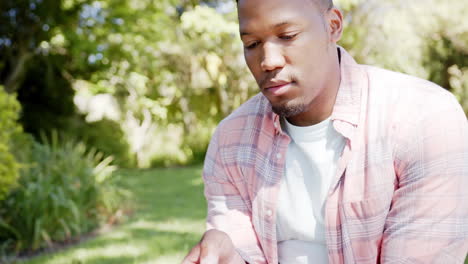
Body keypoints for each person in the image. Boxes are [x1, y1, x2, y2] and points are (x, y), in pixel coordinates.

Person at [182, 0, 468, 263]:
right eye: (252, 43)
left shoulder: (423, 119)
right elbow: (243, 253)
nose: (268, 61)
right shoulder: (231, 138)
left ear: (333, 26)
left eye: (287, 36)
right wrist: (229, 253)